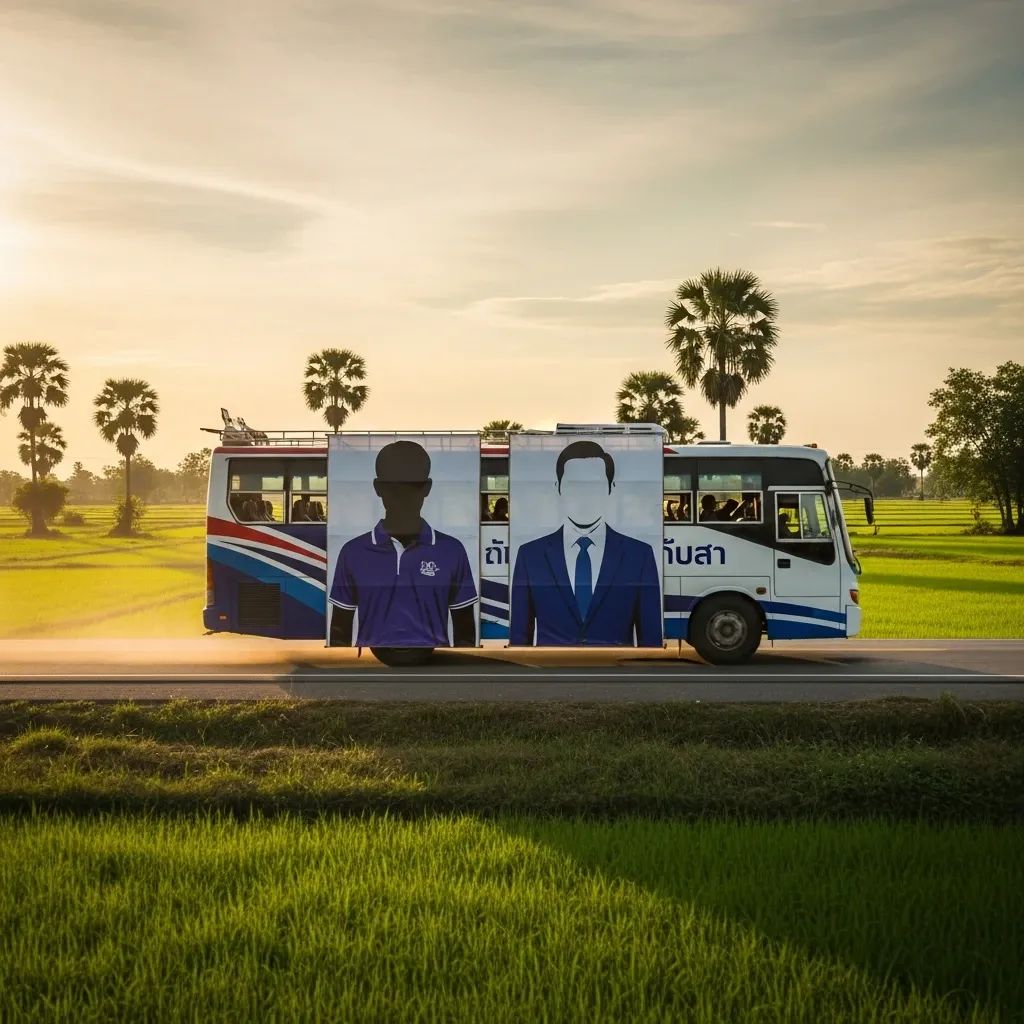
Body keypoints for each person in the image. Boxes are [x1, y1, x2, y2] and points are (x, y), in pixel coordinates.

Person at [510, 440, 661, 647]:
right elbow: (520, 638)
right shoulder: (530, 555)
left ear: (611, 488)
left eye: (594, 485)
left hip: (616, 672)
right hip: (550, 672)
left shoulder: (639, 555)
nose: (584, 496)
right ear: (559, 488)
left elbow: (650, 639)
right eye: (574, 485)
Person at [329, 440, 477, 648]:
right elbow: (339, 632)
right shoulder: (352, 552)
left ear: (427, 488)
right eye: (394, 488)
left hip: (436, 674)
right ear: (378, 488)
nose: (403, 497)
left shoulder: (452, 551)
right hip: (370, 673)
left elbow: (465, 632)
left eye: (412, 487)